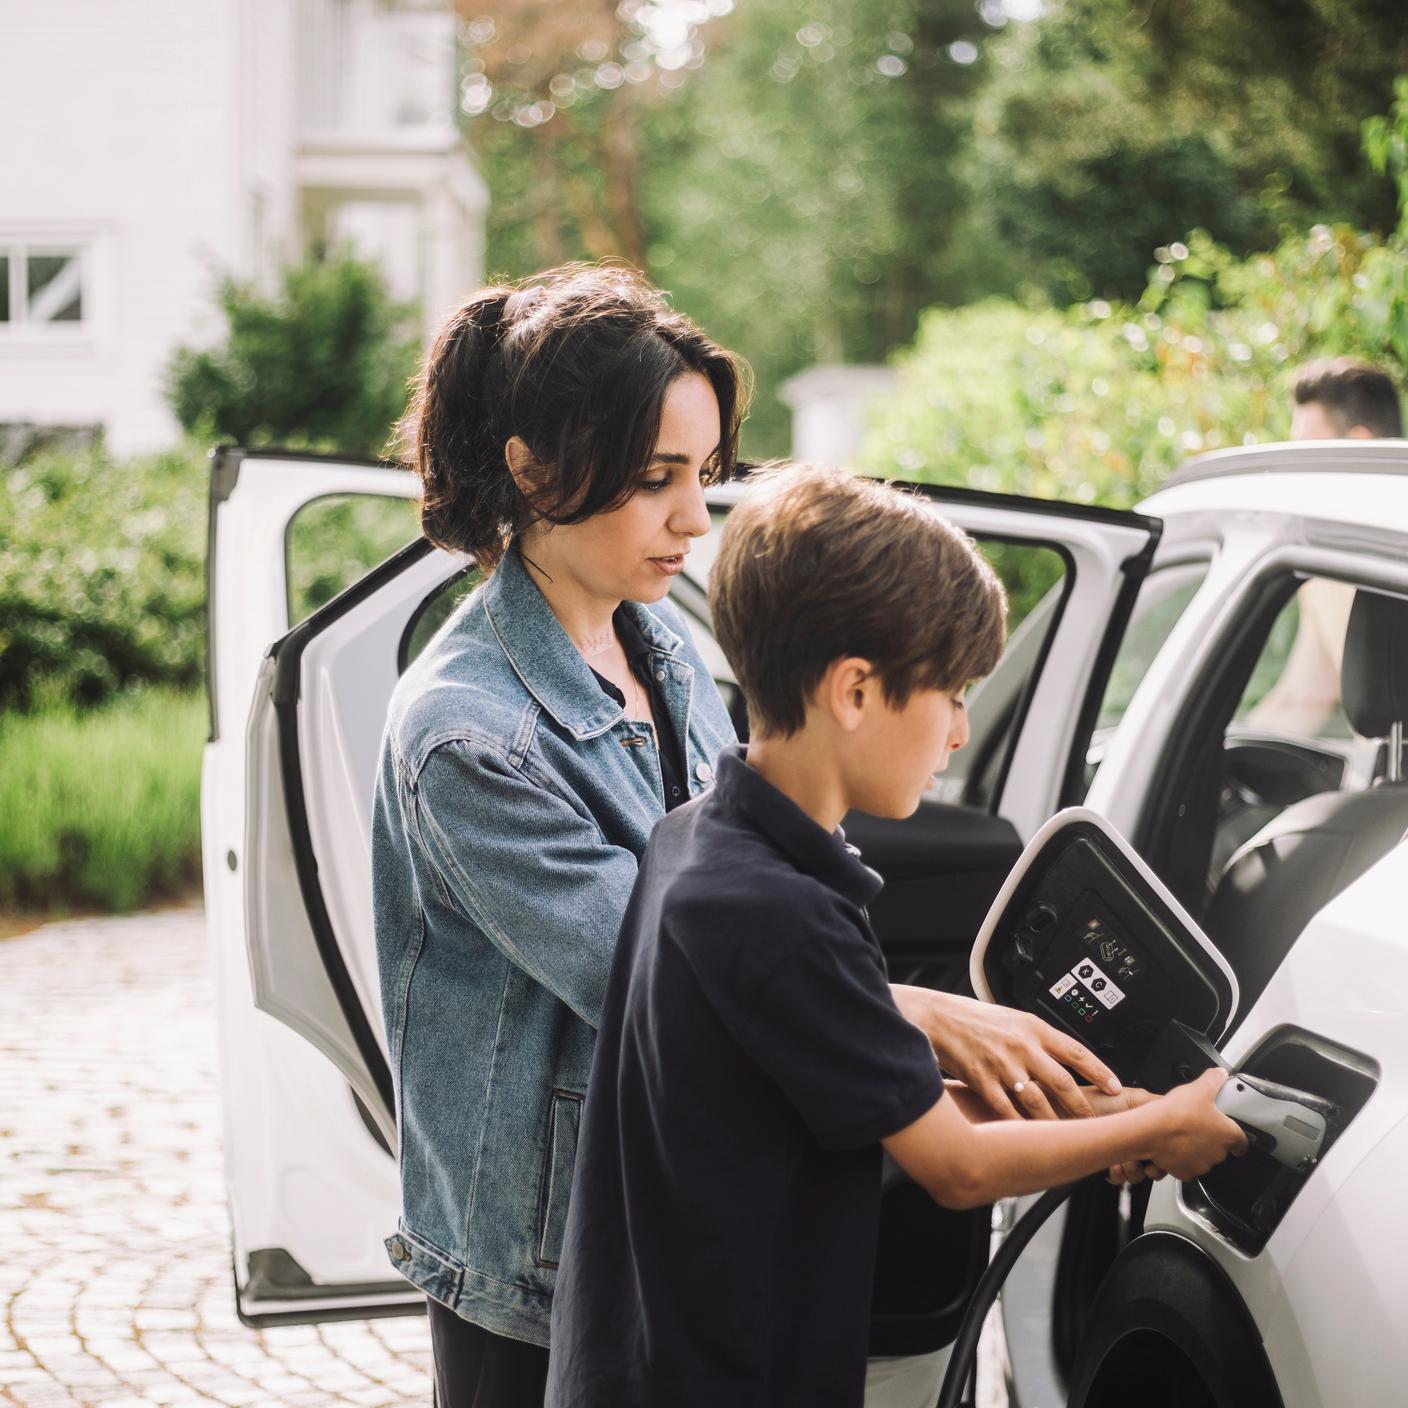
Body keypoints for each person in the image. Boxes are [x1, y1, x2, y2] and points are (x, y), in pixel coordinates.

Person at [371, 264, 1124, 1408]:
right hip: (536, 1262)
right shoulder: (465, 736)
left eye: (705, 474)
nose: (690, 515)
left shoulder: (661, 645)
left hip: (661, 1227)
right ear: (530, 466)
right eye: (653, 477)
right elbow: (654, 968)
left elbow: (734, 862)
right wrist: (917, 1013)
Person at [545, 464, 1248, 1408]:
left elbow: (866, 1096)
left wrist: (1101, 1122)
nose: (960, 731)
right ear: (855, 692)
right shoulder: (776, 910)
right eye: (951, 693)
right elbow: (953, 1169)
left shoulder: (703, 840)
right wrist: (1163, 1124)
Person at [1249, 358, 1404, 738]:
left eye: (1307, 451)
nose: (1296, 471)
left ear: (1359, 446)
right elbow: (1305, 696)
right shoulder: (1328, 568)